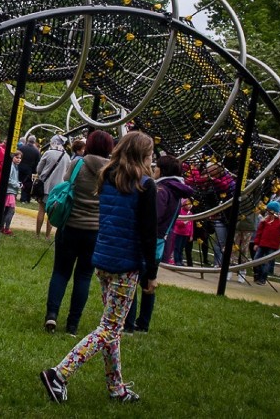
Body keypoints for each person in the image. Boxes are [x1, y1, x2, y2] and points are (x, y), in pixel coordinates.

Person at [40, 131, 157, 404]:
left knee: (111, 329)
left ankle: (116, 387)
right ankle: (59, 374)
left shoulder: (108, 177)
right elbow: (148, 233)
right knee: (109, 329)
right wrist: (150, 273)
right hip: (125, 264)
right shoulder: (145, 185)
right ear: (142, 155)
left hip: (103, 259)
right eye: (150, 153)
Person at [43, 130, 114, 336]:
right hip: (94, 231)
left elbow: (67, 184)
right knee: (83, 276)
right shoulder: (112, 171)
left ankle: (52, 314)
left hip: (70, 226)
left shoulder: (78, 164)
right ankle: (73, 324)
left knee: (60, 272)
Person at [124, 154, 193, 334]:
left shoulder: (161, 191)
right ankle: (143, 323)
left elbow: (152, 218)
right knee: (148, 285)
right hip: (161, 240)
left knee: (134, 281)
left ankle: (129, 324)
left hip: (150, 240)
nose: (153, 170)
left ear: (161, 170)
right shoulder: (176, 191)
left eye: (156, 167)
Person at [34, 134, 71, 238]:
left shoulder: (48, 153)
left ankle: (37, 234)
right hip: (58, 189)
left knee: (41, 210)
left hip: (45, 186)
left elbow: (39, 169)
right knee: (52, 212)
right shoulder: (67, 156)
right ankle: (48, 236)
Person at [252, 200, 280, 284]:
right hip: (262, 244)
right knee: (256, 260)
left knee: (268, 263)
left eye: (270, 210)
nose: (268, 211)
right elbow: (259, 232)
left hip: (272, 245)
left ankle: (263, 278)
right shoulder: (265, 221)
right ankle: (258, 274)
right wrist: (256, 243)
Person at [1, 150, 23, 235]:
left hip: (11, 190)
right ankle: (6, 228)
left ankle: (2, 227)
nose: (18, 160)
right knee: (11, 211)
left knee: (6, 211)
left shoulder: (15, 167)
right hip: (10, 191)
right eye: (17, 157)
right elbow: (8, 178)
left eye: (20, 158)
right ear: (12, 157)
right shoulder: (11, 166)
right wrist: (17, 184)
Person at [19, 135, 41, 203]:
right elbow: (38, 162)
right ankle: (24, 198)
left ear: (28, 140)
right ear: (34, 141)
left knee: (18, 182)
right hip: (29, 170)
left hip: (20, 167)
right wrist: (34, 171)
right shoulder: (36, 151)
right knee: (26, 184)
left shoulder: (22, 148)